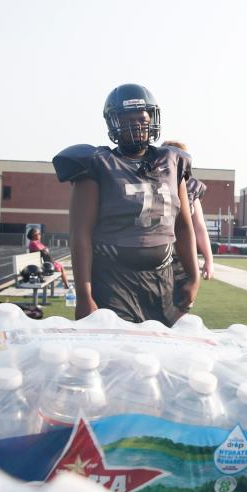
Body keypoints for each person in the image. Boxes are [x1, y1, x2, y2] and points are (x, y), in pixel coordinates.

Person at [52, 83, 199, 324]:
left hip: (163, 280)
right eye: (127, 119)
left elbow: (184, 227)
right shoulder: (97, 164)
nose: (137, 125)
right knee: (118, 356)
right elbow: (81, 236)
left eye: (141, 118)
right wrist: (84, 295)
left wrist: (193, 277)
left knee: (162, 356)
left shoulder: (173, 161)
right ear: (113, 123)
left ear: (152, 118)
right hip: (113, 282)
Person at [162, 142, 214, 311]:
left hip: (182, 257)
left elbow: (199, 227)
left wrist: (209, 259)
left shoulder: (192, 187)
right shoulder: (153, 181)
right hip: (157, 255)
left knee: (182, 308)